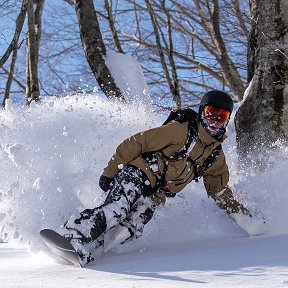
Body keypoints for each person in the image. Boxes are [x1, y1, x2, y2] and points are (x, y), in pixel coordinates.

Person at [58, 90, 252, 266]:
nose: (214, 121)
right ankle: (73, 233)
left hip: (155, 194)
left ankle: (94, 246)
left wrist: (245, 218)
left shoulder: (214, 156)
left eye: (221, 116)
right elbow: (136, 142)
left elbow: (219, 191)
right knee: (118, 209)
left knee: (131, 227)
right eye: (211, 113)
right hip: (137, 174)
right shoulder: (181, 131)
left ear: (227, 121)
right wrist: (110, 172)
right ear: (202, 112)